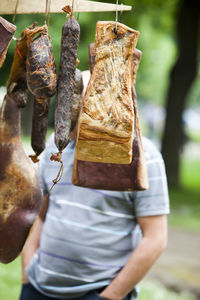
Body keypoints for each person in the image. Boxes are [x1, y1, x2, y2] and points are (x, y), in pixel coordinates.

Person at [19, 72, 170, 300]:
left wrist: (110, 296)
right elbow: (41, 215)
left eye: (76, 103)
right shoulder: (56, 147)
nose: (65, 111)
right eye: (64, 101)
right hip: (38, 288)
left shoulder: (144, 157)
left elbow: (155, 238)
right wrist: (28, 273)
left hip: (98, 293)